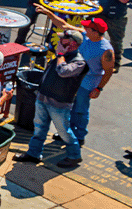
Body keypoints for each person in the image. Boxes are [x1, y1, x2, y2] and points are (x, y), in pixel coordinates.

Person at [35, 5, 115, 147]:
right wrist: (48, 13)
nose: (84, 29)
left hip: (87, 84)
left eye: (88, 27)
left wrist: (99, 89)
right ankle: (67, 133)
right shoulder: (86, 36)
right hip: (73, 79)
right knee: (69, 107)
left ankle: (79, 136)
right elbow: (64, 25)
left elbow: (108, 71)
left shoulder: (106, 50)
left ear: (96, 32)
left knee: (80, 110)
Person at [14, 29, 87, 168]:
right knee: (39, 129)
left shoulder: (79, 63)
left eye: (63, 40)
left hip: (59, 104)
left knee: (64, 132)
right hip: (43, 98)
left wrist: (60, 54)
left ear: (73, 44)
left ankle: (74, 156)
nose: (59, 42)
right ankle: (34, 153)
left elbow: (63, 71)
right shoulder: (60, 56)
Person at [84, 0, 131, 72]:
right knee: (90, 34)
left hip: (115, 18)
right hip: (99, 14)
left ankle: (115, 64)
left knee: (116, 41)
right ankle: (89, 57)